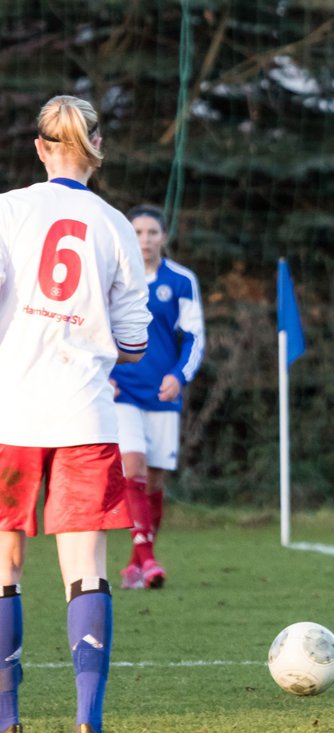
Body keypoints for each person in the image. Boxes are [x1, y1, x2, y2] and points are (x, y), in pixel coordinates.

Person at [0, 95, 151, 733]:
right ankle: (88, 727)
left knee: (4, 568)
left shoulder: (8, 211)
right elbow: (134, 343)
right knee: (84, 570)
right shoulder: (116, 225)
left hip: (10, 413)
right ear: (97, 151)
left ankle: (5, 724)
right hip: (85, 415)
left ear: (39, 148)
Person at [110, 205, 206, 589]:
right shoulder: (114, 277)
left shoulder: (181, 280)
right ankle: (149, 561)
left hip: (163, 393)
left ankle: (136, 565)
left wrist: (179, 376)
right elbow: (93, 328)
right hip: (123, 391)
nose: (144, 240)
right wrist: (104, 376)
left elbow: (194, 336)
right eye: (137, 233)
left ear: (163, 237)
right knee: (132, 470)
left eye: (152, 233)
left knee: (154, 481)